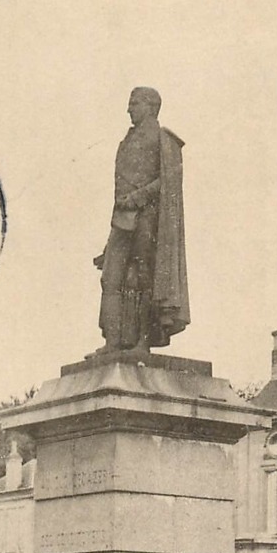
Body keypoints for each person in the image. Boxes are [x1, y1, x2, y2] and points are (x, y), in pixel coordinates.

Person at [92, 87, 190, 356]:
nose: (129, 109)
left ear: (151, 106)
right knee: (110, 278)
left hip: (150, 219)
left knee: (144, 279)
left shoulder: (164, 140)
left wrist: (137, 197)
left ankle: (141, 343)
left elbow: (169, 182)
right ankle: (113, 341)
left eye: (134, 103)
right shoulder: (125, 142)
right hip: (122, 222)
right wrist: (107, 244)